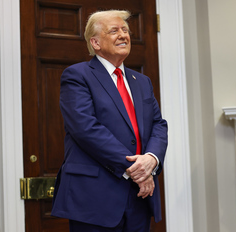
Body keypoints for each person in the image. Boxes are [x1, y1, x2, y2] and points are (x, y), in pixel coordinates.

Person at [51, 9, 168, 232]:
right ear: (95, 42)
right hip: (94, 198)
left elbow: (158, 125)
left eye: (125, 30)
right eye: (114, 31)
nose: (123, 35)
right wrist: (137, 169)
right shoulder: (77, 76)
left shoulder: (142, 81)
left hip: (139, 197)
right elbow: (86, 128)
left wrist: (152, 159)